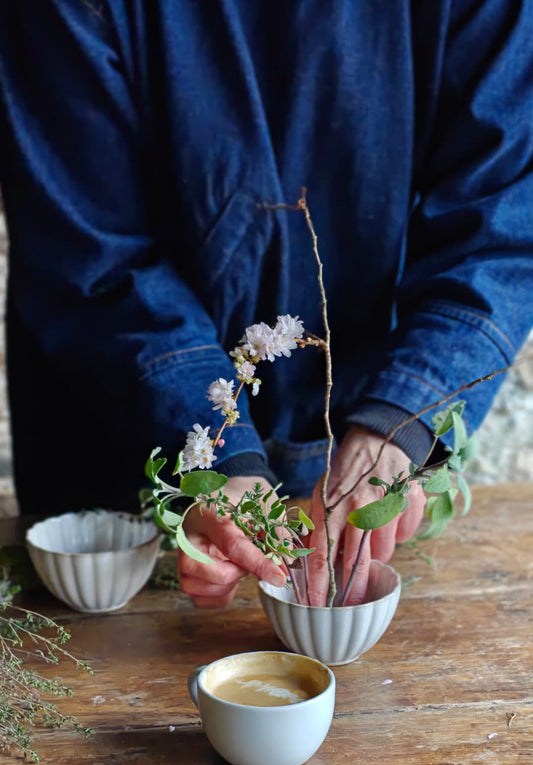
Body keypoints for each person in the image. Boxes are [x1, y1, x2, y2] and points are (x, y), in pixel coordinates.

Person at [0, 1, 532, 608]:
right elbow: (93, 255)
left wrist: (404, 414)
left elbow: (502, 219)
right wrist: (218, 457)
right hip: (119, 460)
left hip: (354, 432)